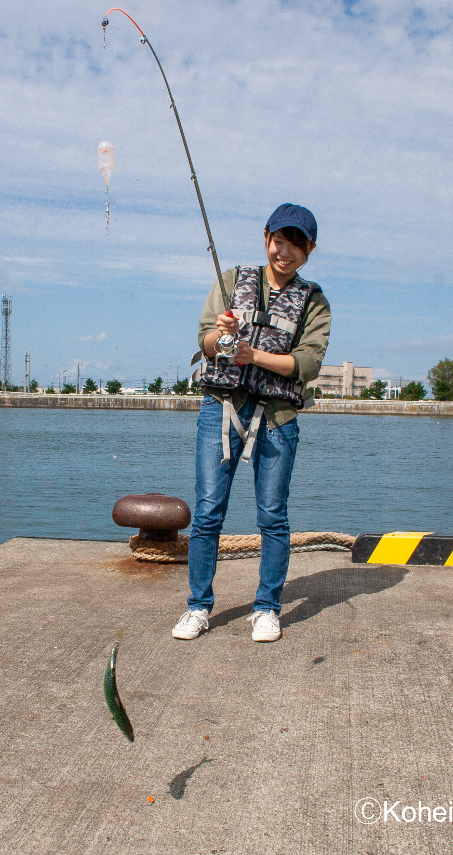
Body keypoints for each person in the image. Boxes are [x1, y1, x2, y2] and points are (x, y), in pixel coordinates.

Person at [173, 203, 331, 643]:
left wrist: (253, 355)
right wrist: (222, 335)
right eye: (279, 241)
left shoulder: (314, 301)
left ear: (309, 250)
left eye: (296, 245)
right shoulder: (231, 281)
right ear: (266, 238)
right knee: (208, 512)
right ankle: (198, 606)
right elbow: (205, 342)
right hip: (221, 407)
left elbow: (308, 363)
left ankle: (267, 608)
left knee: (273, 516)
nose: (285, 252)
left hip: (278, 416)